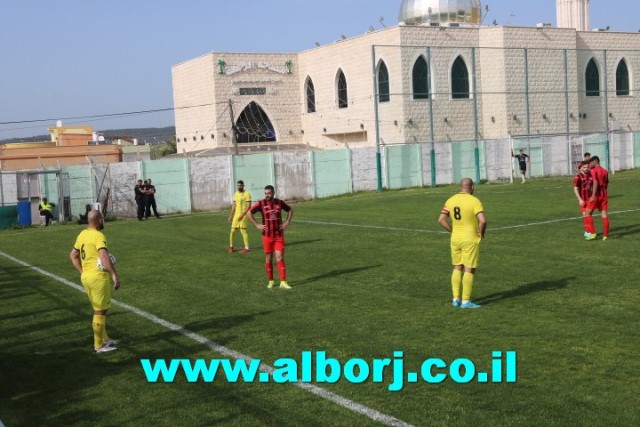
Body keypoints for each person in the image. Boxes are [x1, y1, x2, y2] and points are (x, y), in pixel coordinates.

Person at [69, 210, 121, 353]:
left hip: (87, 278)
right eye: (102, 219)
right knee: (99, 311)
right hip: (98, 278)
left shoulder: (82, 234)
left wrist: (83, 272)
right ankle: (98, 346)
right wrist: (114, 274)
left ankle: (104, 339)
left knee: (99, 309)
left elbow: (73, 255)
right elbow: (103, 256)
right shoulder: (99, 235)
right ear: (99, 220)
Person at [438, 178, 487, 309]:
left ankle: (455, 299)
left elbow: (441, 220)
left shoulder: (451, 200)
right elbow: (483, 221)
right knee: (469, 268)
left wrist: (453, 231)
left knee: (457, 267)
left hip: (455, 238)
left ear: (461, 187)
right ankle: (465, 301)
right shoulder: (474, 200)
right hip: (469, 238)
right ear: (471, 187)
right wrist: (481, 233)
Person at [245, 185, 294, 289]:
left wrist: (287, 222)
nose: (267, 195)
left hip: (278, 235)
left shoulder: (279, 203)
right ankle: (271, 281)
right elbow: (248, 213)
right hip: (267, 236)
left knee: (280, 257)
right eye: (265, 193)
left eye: (269, 193)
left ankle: (283, 282)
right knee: (269, 258)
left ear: (273, 193)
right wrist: (257, 224)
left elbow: (290, 210)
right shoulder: (261, 203)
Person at [584, 156, 609, 240]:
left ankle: (593, 233)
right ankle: (605, 235)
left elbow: (595, 182)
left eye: (591, 163)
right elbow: (607, 183)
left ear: (595, 162)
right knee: (604, 215)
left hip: (596, 195)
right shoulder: (605, 171)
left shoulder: (594, 170)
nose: (590, 164)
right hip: (604, 196)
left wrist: (593, 196)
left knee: (587, 213)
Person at [228, 180, 252, 254]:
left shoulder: (247, 194)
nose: (239, 187)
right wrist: (231, 216)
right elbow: (234, 205)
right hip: (236, 215)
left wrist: (242, 214)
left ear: (243, 186)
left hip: (244, 215)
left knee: (243, 231)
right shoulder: (236, 194)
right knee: (232, 231)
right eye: (238, 185)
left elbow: (249, 206)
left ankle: (247, 248)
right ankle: (231, 246)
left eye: (240, 185)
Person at [573, 160, 595, 238]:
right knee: (585, 215)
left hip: (590, 199)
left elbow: (593, 186)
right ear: (581, 168)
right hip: (583, 199)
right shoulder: (577, 177)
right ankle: (588, 231)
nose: (586, 168)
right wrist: (579, 199)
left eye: (587, 167)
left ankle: (589, 231)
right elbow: (575, 189)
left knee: (588, 215)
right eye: (584, 167)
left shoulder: (591, 175)